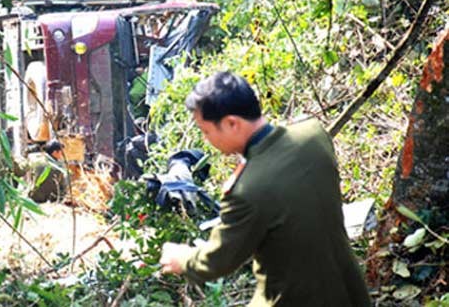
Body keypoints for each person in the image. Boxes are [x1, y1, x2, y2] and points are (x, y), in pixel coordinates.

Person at [159, 71, 370, 306]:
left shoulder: (247, 191)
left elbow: (218, 260)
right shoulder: (313, 134)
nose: (206, 139)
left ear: (231, 123)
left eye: (206, 131)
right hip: (351, 292)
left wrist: (183, 259)